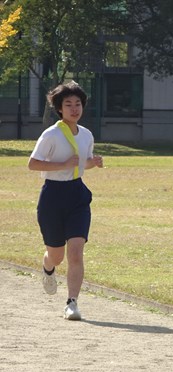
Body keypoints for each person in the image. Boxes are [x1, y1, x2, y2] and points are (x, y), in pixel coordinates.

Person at [28, 81, 103, 321]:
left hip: (78, 196)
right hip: (52, 196)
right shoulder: (50, 135)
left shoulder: (87, 135)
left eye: (78, 104)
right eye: (68, 104)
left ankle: (72, 302)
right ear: (59, 109)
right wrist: (62, 165)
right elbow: (33, 164)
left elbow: (83, 163)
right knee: (57, 255)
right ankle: (48, 267)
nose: (74, 108)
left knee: (76, 252)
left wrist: (94, 162)